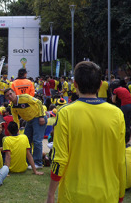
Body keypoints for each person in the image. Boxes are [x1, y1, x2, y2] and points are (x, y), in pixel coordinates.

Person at [46, 61, 126, 203]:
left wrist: (51, 194)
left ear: (75, 84)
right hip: (108, 193)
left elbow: (60, 159)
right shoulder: (117, 114)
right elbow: (120, 159)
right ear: (101, 84)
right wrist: (120, 195)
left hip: (74, 195)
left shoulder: (65, 113)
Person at [4, 88, 46, 168]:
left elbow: (39, 102)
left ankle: (38, 163)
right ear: (6, 98)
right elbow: (16, 120)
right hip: (29, 121)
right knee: (27, 141)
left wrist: (41, 116)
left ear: (14, 93)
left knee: (37, 141)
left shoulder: (25, 97)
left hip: (37, 118)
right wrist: (17, 132)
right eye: (7, 96)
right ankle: (29, 162)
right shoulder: (13, 107)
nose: (10, 96)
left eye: (10, 94)